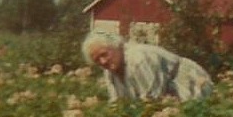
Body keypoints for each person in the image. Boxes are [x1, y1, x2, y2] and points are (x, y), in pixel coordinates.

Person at [82, 30, 213, 102]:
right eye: (97, 60)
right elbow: (117, 103)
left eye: (104, 54)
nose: (103, 61)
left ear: (116, 46)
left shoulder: (138, 58)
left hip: (186, 81)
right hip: (166, 96)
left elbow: (151, 99)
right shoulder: (110, 70)